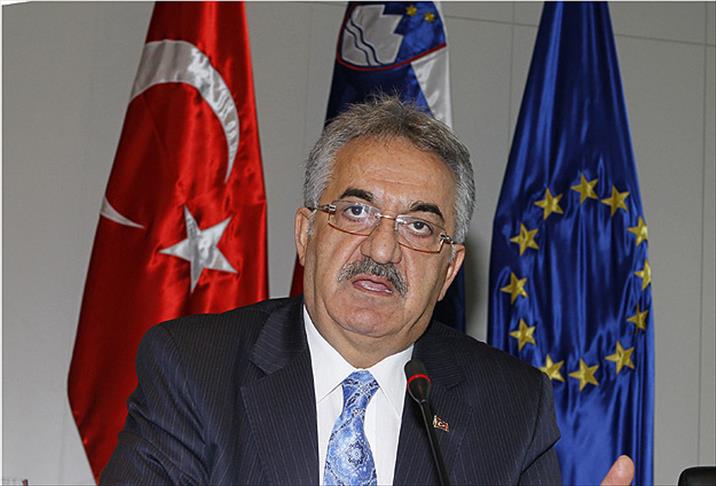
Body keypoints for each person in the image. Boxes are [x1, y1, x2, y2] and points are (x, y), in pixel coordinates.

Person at [101, 96, 634, 485]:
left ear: (449, 270)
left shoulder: (511, 407)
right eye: (356, 211)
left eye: (418, 226)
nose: (381, 249)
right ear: (306, 234)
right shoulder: (194, 368)